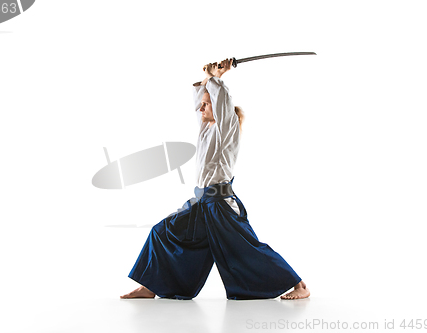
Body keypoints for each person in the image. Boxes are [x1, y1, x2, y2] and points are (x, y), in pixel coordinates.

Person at [121, 59, 310, 300]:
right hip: (202, 203)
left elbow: (223, 103)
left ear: (221, 109)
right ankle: (150, 287)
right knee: (162, 232)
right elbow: (205, 101)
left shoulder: (227, 129)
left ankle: (300, 285)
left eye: (206, 104)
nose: (201, 109)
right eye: (201, 104)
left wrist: (216, 79)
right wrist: (209, 79)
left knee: (247, 249)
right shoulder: (206, 129)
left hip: (221, 204)